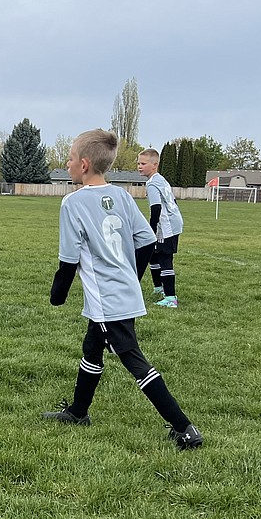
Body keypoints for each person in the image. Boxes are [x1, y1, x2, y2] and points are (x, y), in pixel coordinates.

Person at [42, 129, 202, 450]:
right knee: (92, 348)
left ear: (84, 164)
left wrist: (57, 296)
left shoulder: (72, 203)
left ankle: (184, 427)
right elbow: (146, 240)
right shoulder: (123, 196)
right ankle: (78, 412)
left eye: (70, 158)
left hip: (107, 300)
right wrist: (132, 273)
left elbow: (68, 259)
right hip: (124, 290)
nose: (67, 163)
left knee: (131, 358)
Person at [137, 148, 183, 308]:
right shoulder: (161, 180)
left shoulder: (152, 184)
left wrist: (151, 231)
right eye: (138, 163)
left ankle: (170, 297)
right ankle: (159, 287)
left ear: (154, 165)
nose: (139, 166)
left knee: (164, 258)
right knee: (153, 255)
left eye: (143, 163)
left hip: (166, 227)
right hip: (173, 222)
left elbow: (156, 209)